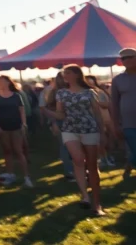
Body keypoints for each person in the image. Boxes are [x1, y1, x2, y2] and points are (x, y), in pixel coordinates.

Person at [46, 65, 106, 216]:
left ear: (77, 75)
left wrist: (103, 132)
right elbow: (60, 114)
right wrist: (48, 113)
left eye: (68, 73)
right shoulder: (61, 93)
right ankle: (85, 196)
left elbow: (97, 114)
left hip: (89, 128)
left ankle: (96, 203)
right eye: (64, 73)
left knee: (92, 165)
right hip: (69, 129)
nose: (65, 75)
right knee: (78, 159)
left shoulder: (90, 92)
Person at [0, 76, 32, 187]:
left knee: (18, 151)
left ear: (9, 82)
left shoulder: (16, 96)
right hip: (3, 128)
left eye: (3, 81)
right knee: (7, 151)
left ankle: (26, 177)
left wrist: (24, 124)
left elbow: (22, 111)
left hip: (16, 127)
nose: (1, 83)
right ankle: (10, 174)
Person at [41, 73, 75, 181]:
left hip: (64, 122)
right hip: (63, 122)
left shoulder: (54, 92)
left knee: (65, 147)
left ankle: (71, 171)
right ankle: (71, 171)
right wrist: (54, 122)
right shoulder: (58, 93)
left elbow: (48, 109)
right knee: (67, 147)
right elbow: (50, 109)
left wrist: (53, 122)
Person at [112, 48, 136, 179]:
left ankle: (129, 163)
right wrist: (115, 124)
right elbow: (114, 104)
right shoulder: (118, 80)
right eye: (123, 58)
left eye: (130, 57)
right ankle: (131, 162)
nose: (126, 60)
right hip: (128, 123)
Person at [87, 75, 116, 167]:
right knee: (101, 141)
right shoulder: (85, 93)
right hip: (95, 119)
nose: (90, 84)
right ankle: (103, 158)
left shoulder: (100, 92)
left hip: (107, 118)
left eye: (91, 82)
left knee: (110, 139)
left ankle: (110, 156)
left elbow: (108, 104)